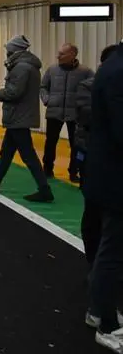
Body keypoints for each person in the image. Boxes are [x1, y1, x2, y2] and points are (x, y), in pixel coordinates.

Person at [84, 41, 123, 353]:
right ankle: (107, 322)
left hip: (104, 174)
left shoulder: (110, 69)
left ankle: (99, 310)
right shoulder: (118, 73)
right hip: (115, 178)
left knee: (106, 247)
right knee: (112, 252)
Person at [0, 35, 54, 202]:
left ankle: (44, 189)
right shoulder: (28, 66)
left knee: (27, 155)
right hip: (20, 116)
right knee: (7, 152)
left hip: (18, 116)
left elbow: (13, 92)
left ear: (13, 50)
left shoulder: (21, 68)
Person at [76, 44, 119, 268]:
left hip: (102, 160)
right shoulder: (90, 86)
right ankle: (95, 266)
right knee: (94, 217)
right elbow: (86, 115)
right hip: (94, 157)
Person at [39, 43, 94, 181]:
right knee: (50, 142)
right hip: (54, 112)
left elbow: (92, 88)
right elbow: (43, 87)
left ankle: (74, 172)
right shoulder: (52, 70)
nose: (58, 56)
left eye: (62, 54)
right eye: (59, 53)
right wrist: (47, 100)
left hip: (75, 114)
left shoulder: (85, 72)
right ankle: (47, 168)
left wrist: (83, 105)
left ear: (73, 55)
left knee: (75, 144)